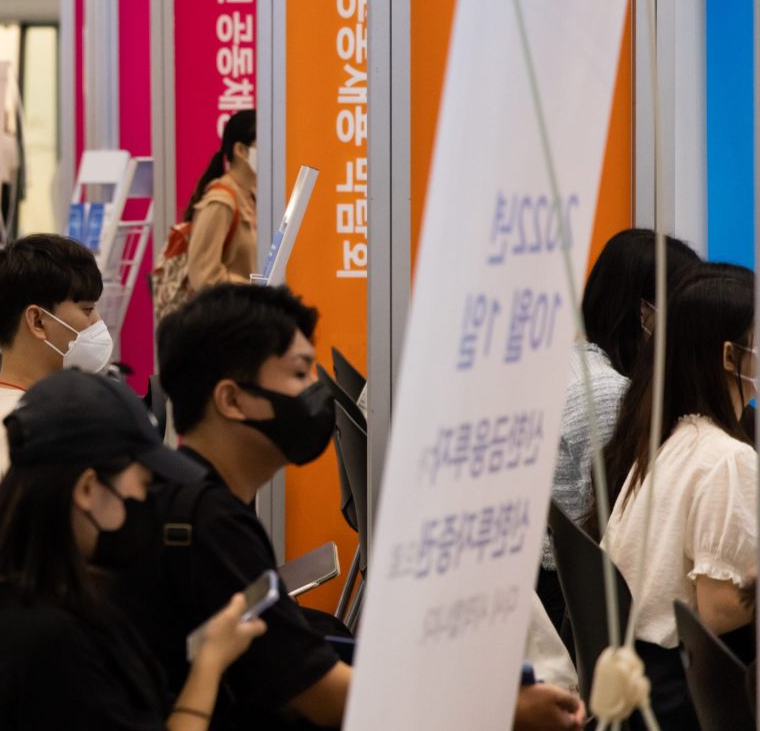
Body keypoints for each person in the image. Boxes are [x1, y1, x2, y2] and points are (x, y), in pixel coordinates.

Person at [116, 284, 587, 731]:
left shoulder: (194, 500)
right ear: (232, 399)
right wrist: (496, 709)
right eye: (299, 374)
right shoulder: (214, 526)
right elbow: (324, 696)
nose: (314, 394)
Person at [0, 369, 267, 731]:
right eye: (142, 483)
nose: (143, 499)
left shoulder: (3, 571)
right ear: (87, 488)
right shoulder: (50, 639)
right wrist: (211, 661)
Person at [597, 266, 758, 730]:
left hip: (639, 682)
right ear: (730, 355)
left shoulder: (670, 438)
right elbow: (718, 609)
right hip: (683, 698)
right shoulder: (728, 459)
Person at [537, 229, 699, 633]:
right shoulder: (607, 395)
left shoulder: (576, 365)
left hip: (554, 585)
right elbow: (623, 530)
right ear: (644, 313)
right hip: (567, 600)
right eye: (681, 310)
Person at [0, 233, 107, 500]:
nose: (97, 322)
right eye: (88, 310)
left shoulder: (9, 408)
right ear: (38, 321)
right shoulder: (35, 436)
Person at [182, 109, 258, 291]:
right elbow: (204, 276)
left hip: (248, 313)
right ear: (241, 150)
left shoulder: (250, 196)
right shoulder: (221, 202)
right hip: (227, 315)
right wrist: (254, 292)